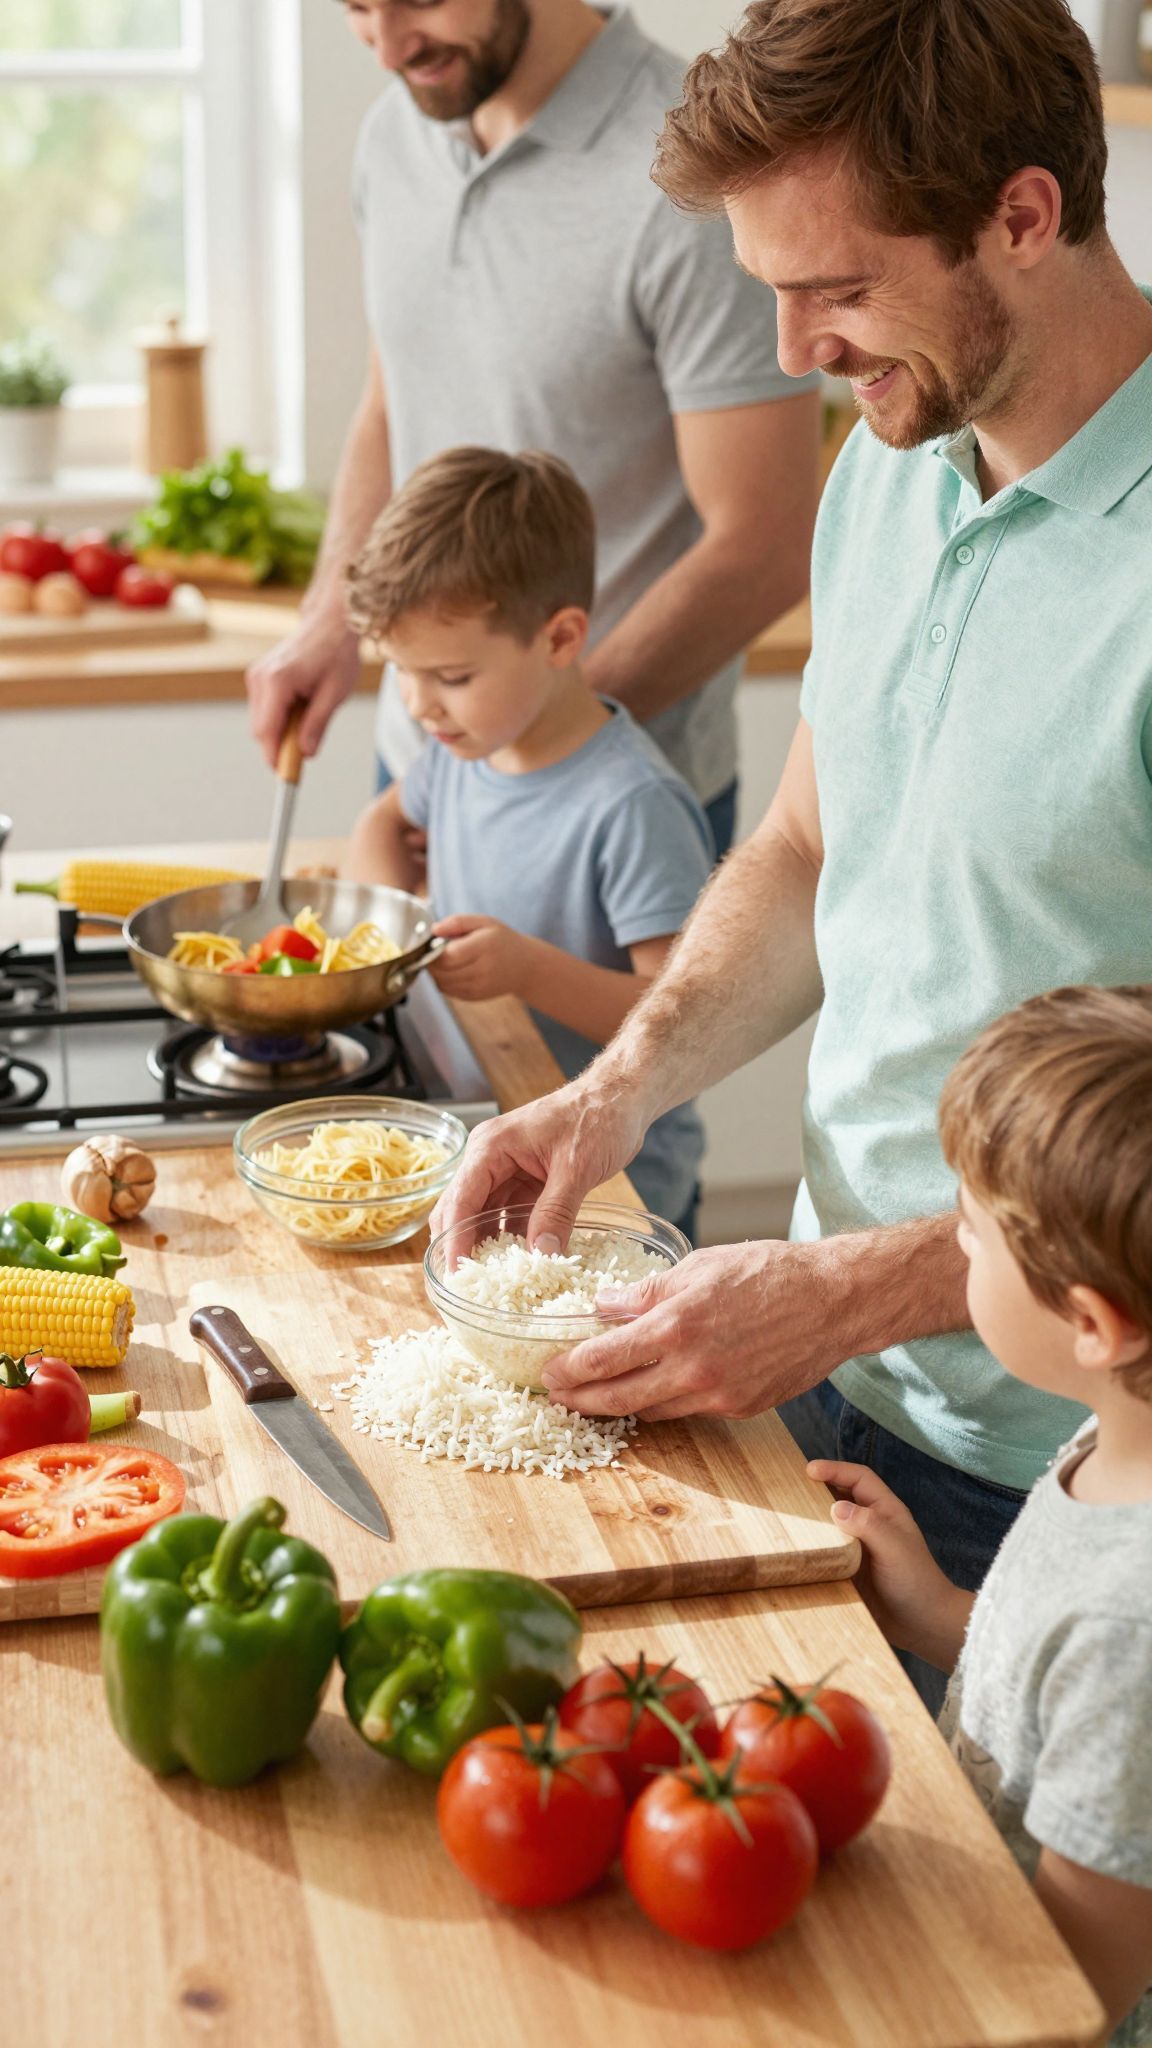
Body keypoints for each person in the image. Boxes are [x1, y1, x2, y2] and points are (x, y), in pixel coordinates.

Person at [433, 0, 1152, 1708]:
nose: (792, 345)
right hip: (820, 1381)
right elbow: (814, 843)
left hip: (1076, 1468)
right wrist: (608, 1095)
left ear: (1024, 217)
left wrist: (849, 1287)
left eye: (832, 287)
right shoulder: (889, 471)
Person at [246, 0, 822, 860]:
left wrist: (534, 742)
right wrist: (331, 616)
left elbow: (768, 543)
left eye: (419, 1)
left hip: (618, 802)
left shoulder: (702, 173)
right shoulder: (394, 136)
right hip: (428, 769)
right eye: (360, 9)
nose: (389, 48)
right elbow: (391, 400)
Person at [810, 986, 1152, 2044]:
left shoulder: (1129, 1626)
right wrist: (942, 1612)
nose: (956, 1250)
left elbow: (1075, 1990)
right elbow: (1071, 1716)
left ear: (1091, 1321)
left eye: (968, 1236)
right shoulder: (1108, 1442)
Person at [341, 445, 712, 1238]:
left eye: (450, 676)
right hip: (491, 1140)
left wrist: (525, 970)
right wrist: (400, 925)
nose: (419, 707)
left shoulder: (632, 805)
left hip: (610, 1191)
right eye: (402, 674)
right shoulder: (459, 752)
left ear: (560, 638)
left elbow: (681, 1016)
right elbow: (378, 825)